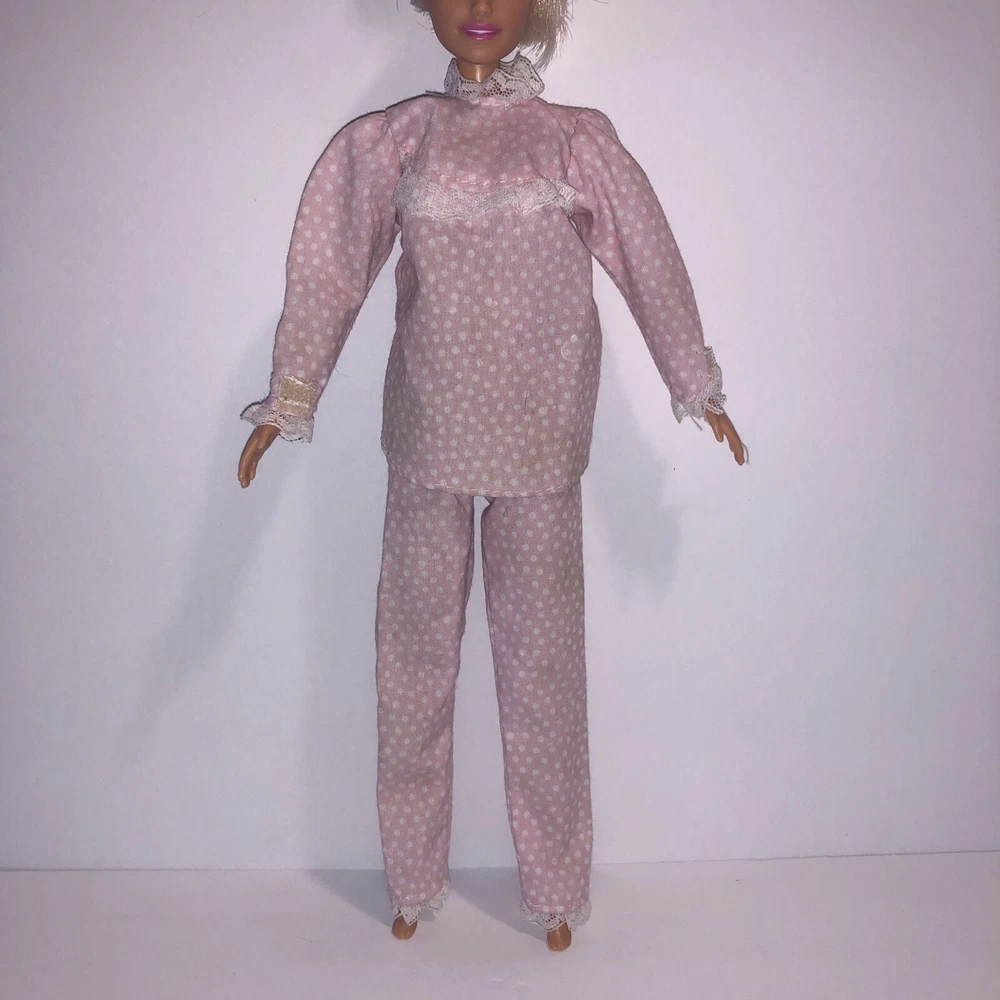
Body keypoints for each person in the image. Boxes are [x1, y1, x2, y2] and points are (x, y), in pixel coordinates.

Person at [238, 0, 746, 951]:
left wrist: (693, 381)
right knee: (412, 667)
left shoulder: (572, 142)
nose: (479, 7)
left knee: (544, 677)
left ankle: (554, 886)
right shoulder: (399, 140)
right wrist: (291, 394)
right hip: (427, 438)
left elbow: (647, 257)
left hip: (540, 444)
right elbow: (332, 267)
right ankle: (411, 878)